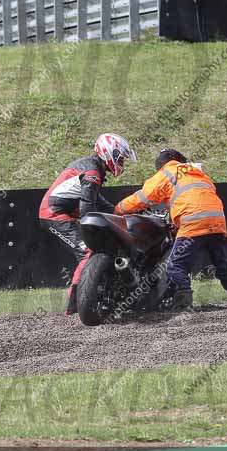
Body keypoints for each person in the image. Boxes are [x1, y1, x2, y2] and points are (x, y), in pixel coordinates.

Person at [114, 148, 227, 310]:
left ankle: (182, 304)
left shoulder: (167, 173)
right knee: (222, 263)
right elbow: (194, 197)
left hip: (193, 221)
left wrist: (118, 209)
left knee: (175, 266)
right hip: (216, 220)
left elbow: (143, 197)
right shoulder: (197, 173)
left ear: (161, 165)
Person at [39, 133, 137, 315]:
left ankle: (87, 297)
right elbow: (87, 209)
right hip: (54, 214)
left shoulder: (92, 168)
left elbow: (99, 202)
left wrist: (122, 214)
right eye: (120, 158)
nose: (121, 163)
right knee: (86, 253)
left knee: (93, 250)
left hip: (60, 212)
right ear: (109, 153)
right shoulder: (92, 173)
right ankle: (75, 305)